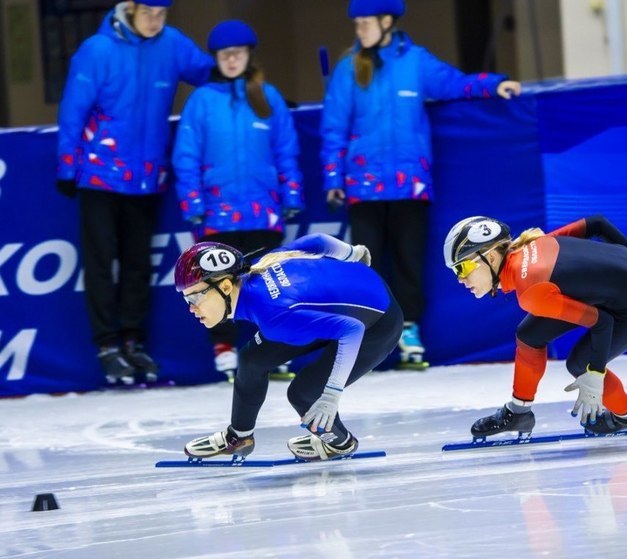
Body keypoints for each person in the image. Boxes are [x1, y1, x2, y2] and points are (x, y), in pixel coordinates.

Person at [321, 0, 522, 370]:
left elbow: (455, 84)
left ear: (386, 22)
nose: (359, 30)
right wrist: (333, 178)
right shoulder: (349, 69)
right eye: (358, 24)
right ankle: (374, 331)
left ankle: (409, 329)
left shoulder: (416, 62)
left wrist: (496, 84)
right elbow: (333, 126)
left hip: (410, 185)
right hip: (363, 187)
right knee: (368, 263)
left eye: (366, 22)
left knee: (409, 263)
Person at [55, 0, 214, 385]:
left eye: (162, 14)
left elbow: (213, 73)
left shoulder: (171, 43)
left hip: (146, 176)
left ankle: (133, 339)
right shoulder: (98, 50)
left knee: (137, 263)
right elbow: (73, 109)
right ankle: (107, 344)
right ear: (129, 7)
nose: (155, 22)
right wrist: (66, 164)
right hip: (99, 174)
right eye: (148, 14)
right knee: (100, 260)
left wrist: (251, 90)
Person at [174, 233, 403, 461]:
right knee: (251, 360)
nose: (191, 309)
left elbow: (352, 330)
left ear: (225, 286)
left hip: (377, 324)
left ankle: (341, 443)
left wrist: (331, 395)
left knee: (304, 394)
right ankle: (240, 437)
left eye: (194, 298)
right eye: (186, 300)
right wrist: (354, 253)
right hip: (338, 302)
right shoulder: (263, 265)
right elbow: (318, 241)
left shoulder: (274, 316)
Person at [443, 214, 627, 436]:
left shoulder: (531, 290)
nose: (460, 280)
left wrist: (595, 374)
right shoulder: (531, 248)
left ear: (491, 258)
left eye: (461, 268)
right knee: (529, 334)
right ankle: (519, 413)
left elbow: (602, 322)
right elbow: (596, 223)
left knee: (581, 364)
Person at [172, 20, 303, 381]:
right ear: (216, 58)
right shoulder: (202, 101)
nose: (232, 60)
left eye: (239, 54)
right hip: (218, 214)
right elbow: (187, 156)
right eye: (225, 55)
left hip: (263, 212)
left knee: (267, 284)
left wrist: (291, 192)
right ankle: (224, 347)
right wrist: (194, 203)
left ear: (248, 55)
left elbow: (286, 149)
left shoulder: (267, 96)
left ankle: (273, 348)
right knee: (216, 284)